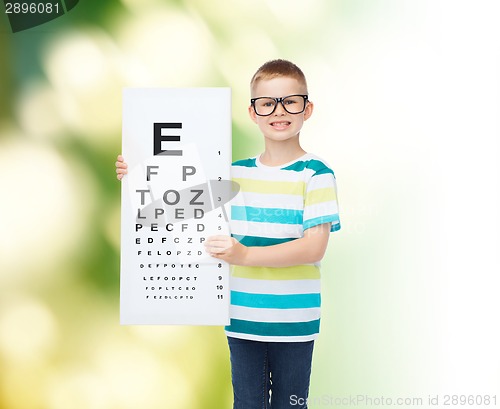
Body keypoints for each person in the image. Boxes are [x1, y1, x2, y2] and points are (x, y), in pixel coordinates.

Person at [116, 59, 341, 409]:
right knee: (247, 404)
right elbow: (171, 205)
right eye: (267, 103)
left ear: (307, 108)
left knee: (291, 404)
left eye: (290, 101)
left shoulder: (315, 174)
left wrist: (246, 255)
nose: (278, 112)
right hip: (240, 318)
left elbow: (314, 247)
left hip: (294, 321)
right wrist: (135, 173)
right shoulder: (231, 173)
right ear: (252, 112)